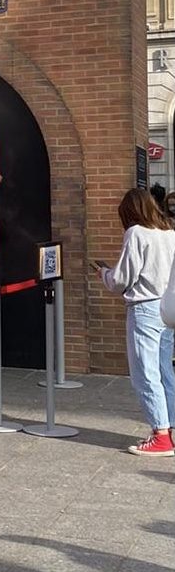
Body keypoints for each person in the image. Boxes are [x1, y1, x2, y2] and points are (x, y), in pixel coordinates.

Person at [99, 187, 175, 456]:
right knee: (165, 369)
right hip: (167, 307)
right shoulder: (170, 234)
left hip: (144, 307)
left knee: (145, 372)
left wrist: (105, 273)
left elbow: (122, 278)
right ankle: (171, 428)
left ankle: (161, 435)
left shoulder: (136, 233)